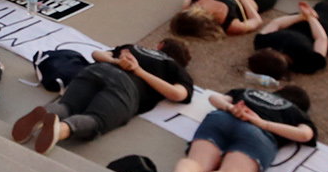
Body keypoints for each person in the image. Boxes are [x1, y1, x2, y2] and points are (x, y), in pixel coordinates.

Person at [12, 41, 194, 153]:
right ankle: (61, 130)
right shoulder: (175, 68)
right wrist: (139, 72)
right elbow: (177, 94)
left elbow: (96, 54)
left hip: (96, 71)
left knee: (68, 106)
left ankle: (45, 113)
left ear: (160, 45)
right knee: (97, 119)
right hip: (127, 89)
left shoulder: (132, 49)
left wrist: (118, 62)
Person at [162, 86, 315, 172]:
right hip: (258, 135)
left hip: (222, 119)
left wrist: (230, 108)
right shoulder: (296, 112)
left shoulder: (248, 91)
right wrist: (264, 124)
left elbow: (213, 98)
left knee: (197, 162)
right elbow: (305, 134)